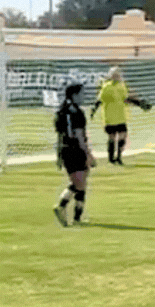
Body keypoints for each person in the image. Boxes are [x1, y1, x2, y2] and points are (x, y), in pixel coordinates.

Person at [53, 83, 96, 226]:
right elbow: (79, 136)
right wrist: (88, 154)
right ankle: (62, 207)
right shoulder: (76, 112)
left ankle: (77, 218)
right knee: (80, 183)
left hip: (65, 149)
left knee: (79, 181)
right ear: (75, 95)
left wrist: (59, 155)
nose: (84, 96)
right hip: (75, 149)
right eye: (82, 93)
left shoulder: (61, 111)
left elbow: (60, 134)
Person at [91, 66, 150, 165]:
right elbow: (101, 100)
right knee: (114, 137)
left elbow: (125, 98)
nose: (117, 77)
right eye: (116, 75)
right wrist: (139, 103)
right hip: (112, 116)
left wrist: (139, 103)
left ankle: (116, 157)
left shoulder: (114, 86)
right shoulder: (109, 86)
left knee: (119, 136)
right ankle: (114, 157)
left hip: (117, 116)